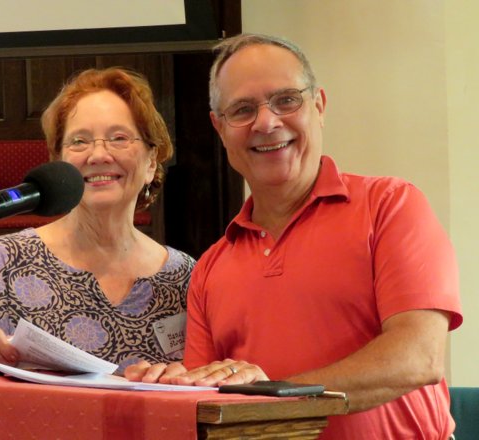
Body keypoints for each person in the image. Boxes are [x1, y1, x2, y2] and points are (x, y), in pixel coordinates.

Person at [125, 34, 463, 439]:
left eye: (286, 100)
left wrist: (277, 391)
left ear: (318, 106)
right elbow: (210, 401)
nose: (266, 123)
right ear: (219, 128)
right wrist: (166, 384)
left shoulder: (390, 206)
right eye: (243, 110)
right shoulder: (211, 267)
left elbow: (418, 358)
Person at [0, 67, 195, 373]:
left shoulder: (185, 276)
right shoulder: (4, 262)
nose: (98, 155)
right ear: (59, 164)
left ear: (151, 162)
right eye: (79, 142)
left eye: (119, 138)